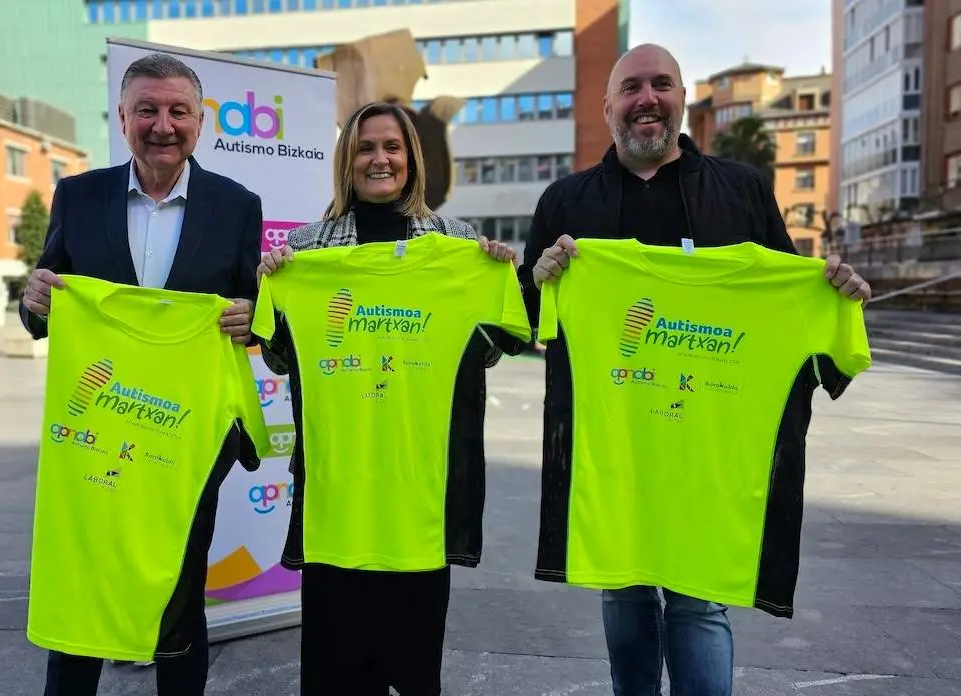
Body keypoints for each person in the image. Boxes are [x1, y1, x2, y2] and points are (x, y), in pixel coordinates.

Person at [519, 44, 872, 696]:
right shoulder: (567, 202)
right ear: (607, 107)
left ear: (682, 98)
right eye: (631, 88)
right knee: (622, 596)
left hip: (709, 449)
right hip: (614, 447)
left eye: (661, 85)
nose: (646, 99)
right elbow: (519, 320)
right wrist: (538, 282)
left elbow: (789, 300)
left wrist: (833, 297)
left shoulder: (740, 191)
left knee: (699, 602)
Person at [256, 101, 522, 696]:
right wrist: (273, 285)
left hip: (419, 494)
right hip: (337, 491)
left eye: (392, 147)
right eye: (366, 148)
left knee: (414, 667)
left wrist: (494, 276)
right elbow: (281, 359)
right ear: (347, 161)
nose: (380, 159)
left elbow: (486, 352)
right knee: (333, 668)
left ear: (411, 159)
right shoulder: (306, 252)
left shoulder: (457, 245)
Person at [19, 51, 263, 696]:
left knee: (181, 581)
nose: (163, 124)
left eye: (178, 110)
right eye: (147, 110)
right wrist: (34, 300)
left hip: (185, 435)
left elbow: (257, 308)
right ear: (123, 117)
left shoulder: (238, 205)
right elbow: (47, 303)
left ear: (200, 119)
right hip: (97, 427)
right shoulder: (78, 194)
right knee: (85, 572)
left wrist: (252, 318)